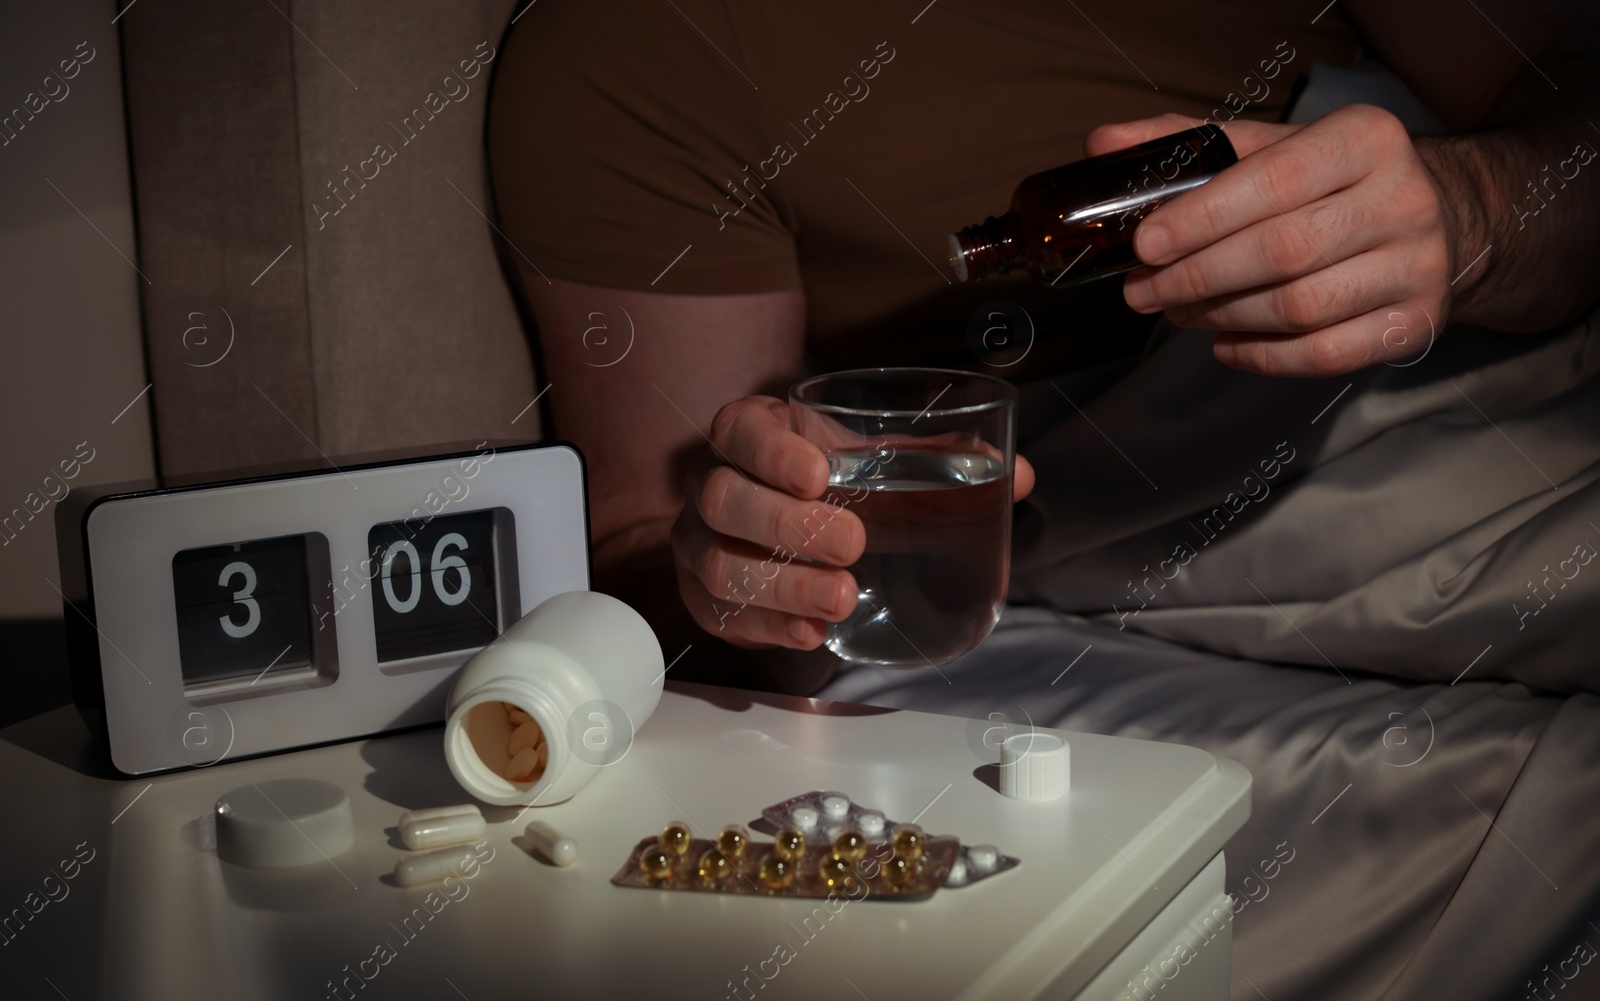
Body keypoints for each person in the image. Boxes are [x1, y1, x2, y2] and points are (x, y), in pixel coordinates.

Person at [487, 0, 1600, 696]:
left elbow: (1566, 97)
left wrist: (1473, 212)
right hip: (1137, 471)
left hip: (1494, 352)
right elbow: (648, 539)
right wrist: (733, 572)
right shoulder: (629, 51)